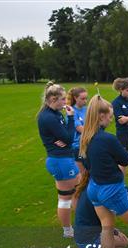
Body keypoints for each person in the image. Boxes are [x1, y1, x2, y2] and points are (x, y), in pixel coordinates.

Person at [79, 95, 128, 248]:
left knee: (106, 227)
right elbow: (125, 160)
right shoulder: (107, 138)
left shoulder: (86, 138)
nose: (111, 119)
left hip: (94, 188)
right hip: (111, 189)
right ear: (101, 116)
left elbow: (87, 164)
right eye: (109, 116)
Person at [37, 82, 80, 238]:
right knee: (66, 197)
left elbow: (65, 138)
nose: (65, 102)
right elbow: (68, 138)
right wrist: (71, 118)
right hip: (60, 161)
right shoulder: (48, 117)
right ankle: (68, 230)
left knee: (76, 192)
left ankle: (81, 223)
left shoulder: (54, 114)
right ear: (52, 99)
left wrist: (65, 137)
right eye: (62, 99)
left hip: (63, 159)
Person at [67, 87, 88, 176]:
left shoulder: (87, 109)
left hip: (88, 144)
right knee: (82, 174)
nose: (85, 101)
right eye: (82, 99)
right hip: (77, 147)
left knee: (89, 172)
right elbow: (80, 129)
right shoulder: (71, 112)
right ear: (75, 98)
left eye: (86, 98)